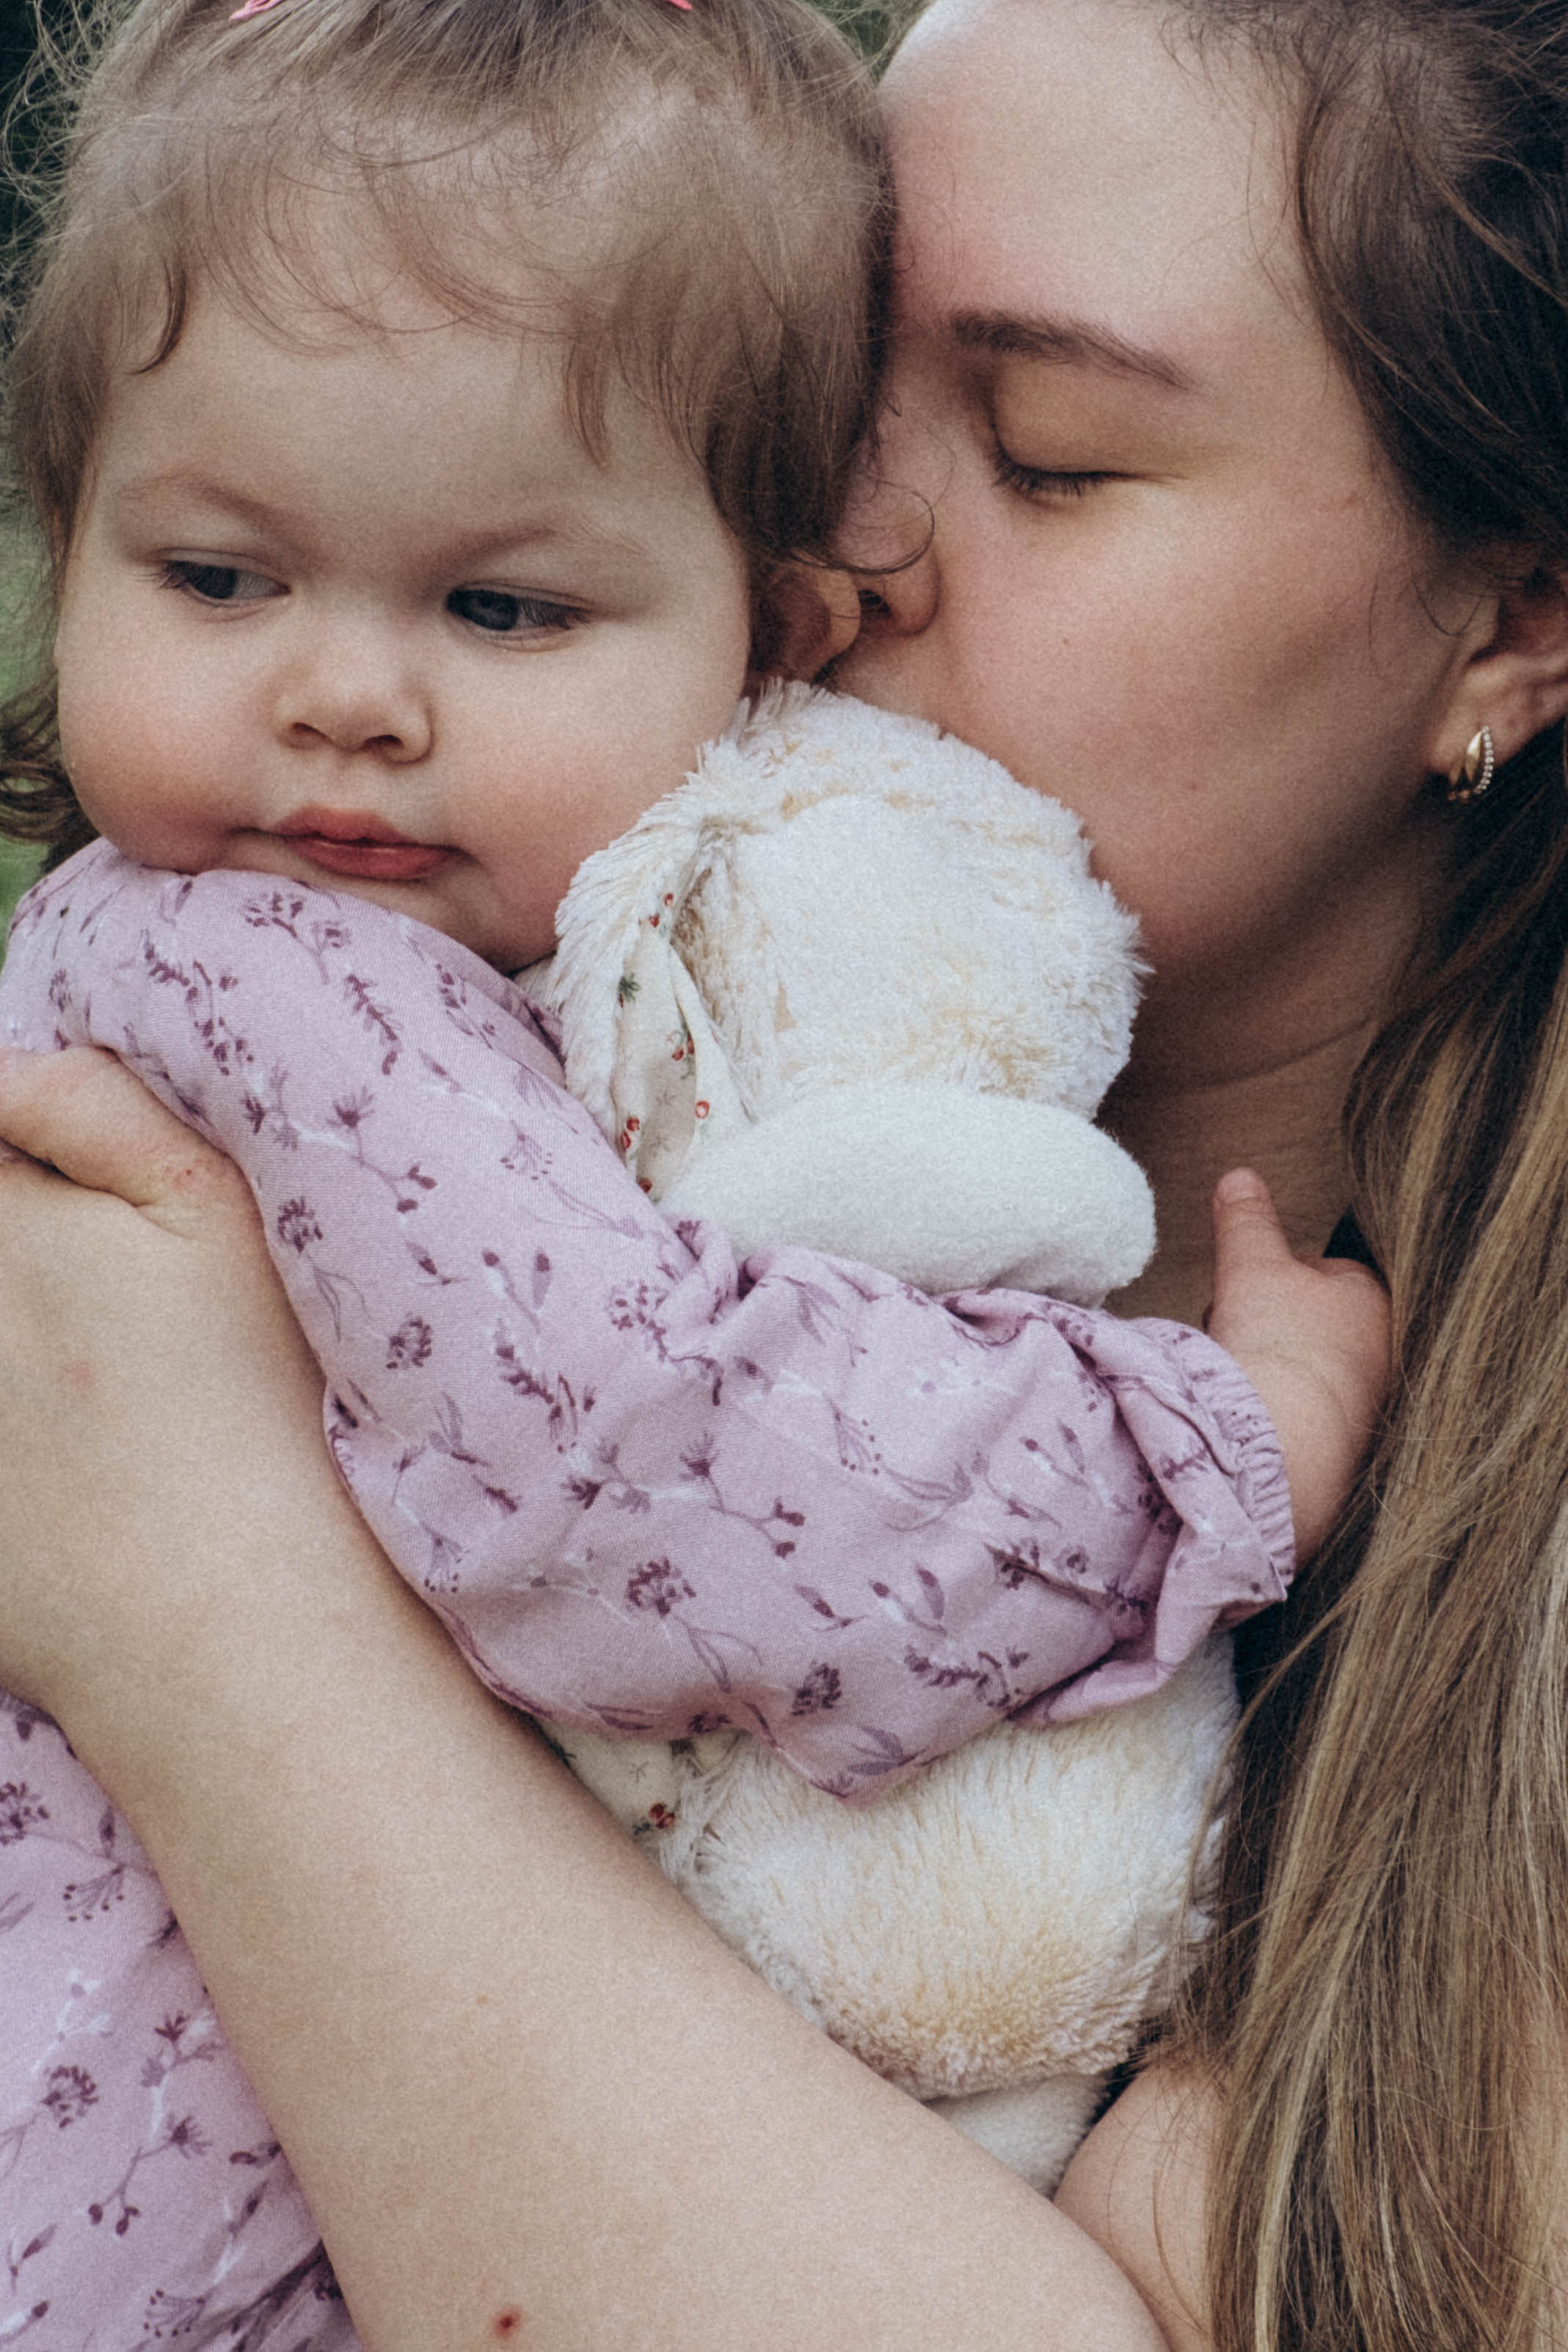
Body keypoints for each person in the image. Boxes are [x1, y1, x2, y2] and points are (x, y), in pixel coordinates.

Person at [0, 0, 1563, 2343]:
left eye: (1041, 456)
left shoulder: (1501, 1623)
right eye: (808, 392)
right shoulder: (342, 1004)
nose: (826, 536)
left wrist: (203, 1604)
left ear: (1512, 622)